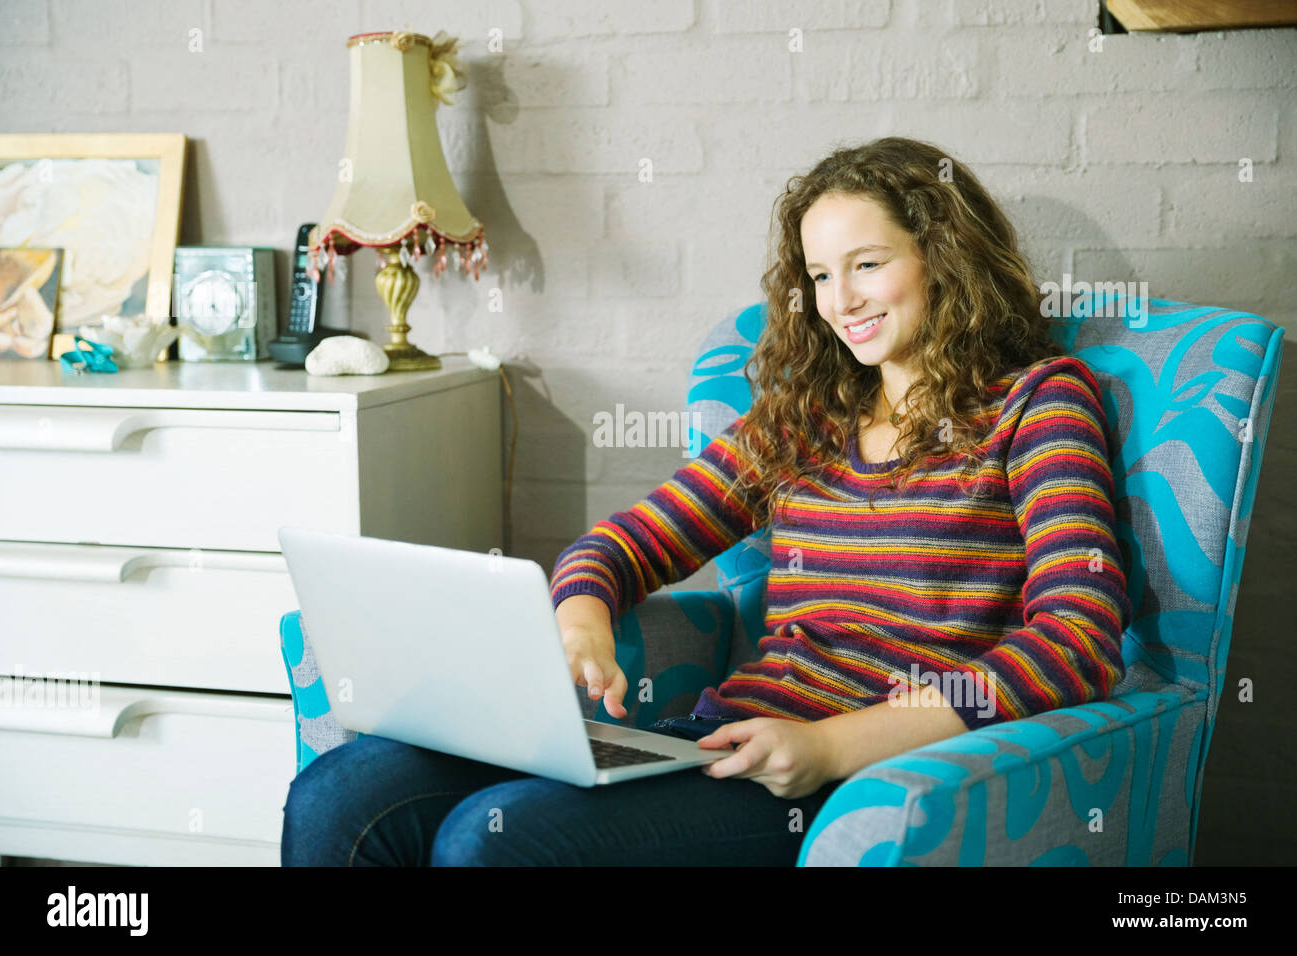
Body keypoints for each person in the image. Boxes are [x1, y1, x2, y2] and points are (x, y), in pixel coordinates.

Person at [280, 136, 1133, 866]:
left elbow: (1077, 642)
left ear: (942, 254)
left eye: (868, 264)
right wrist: (580, 620)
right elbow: (621, 546)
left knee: (488, 842)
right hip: (722, 740)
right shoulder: (810, 418)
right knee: (343, 794)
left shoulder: (1038, 405)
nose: (842, 301)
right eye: (822, 274)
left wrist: (832, 745)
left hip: (835, 779)